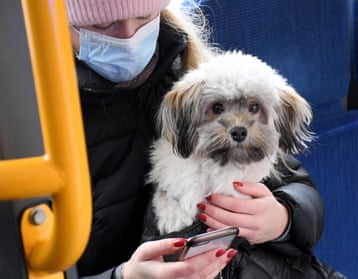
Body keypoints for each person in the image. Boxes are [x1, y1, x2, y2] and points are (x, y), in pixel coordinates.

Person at [65, 0, 333, 278]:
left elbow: (294, 183)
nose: (128, 37)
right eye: (100, 24)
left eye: (143, 16)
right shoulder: (33, 125)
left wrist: (282, 218)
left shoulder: (197, 73)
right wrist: (124, 276)